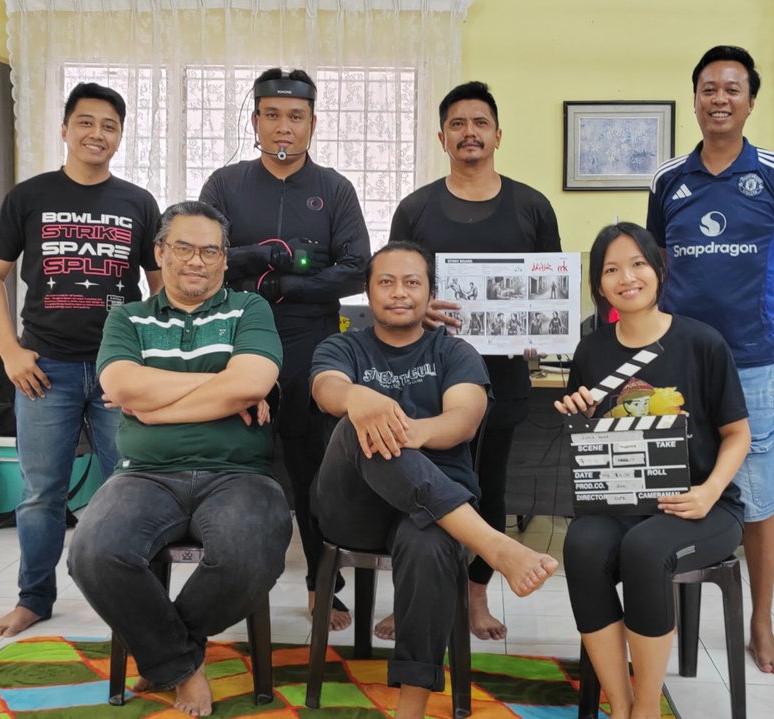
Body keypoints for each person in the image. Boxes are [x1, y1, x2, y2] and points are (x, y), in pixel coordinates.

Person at [310, 241, 559, 719]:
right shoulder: (342, 345)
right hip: (354, 508)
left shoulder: (454, 351)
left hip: (432, 514)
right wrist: (361, 401)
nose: (398, 292)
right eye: (386, 282)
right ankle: (492, 544)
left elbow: (464, 419)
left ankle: (412, 706)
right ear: (368, 293)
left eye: (412, 282)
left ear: (430, 294)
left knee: (431, 541)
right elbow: (327, 389)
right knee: (358, 426)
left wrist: (404, 432)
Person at [69, 201, 289, 718]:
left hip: (239, 474)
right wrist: (223, 388)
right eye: (184, 248)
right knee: (93, 552)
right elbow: (122, 385)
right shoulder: (128, 317)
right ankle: (184, 666)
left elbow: (252, 382)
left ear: (225, 259)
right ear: (160, 252)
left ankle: (165, 652)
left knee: (248, 552)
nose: (196, 261)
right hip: (144, 475)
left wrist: (155, 409)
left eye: (210, 251)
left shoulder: (250, 310)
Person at [645, 45, 774, 674]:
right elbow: (656, 267)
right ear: (694, 100)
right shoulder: (669, 179)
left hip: (752, 360)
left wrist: (756, 307)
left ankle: (760, 624)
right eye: (708, 89)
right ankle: (661, 617)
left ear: (750, 101)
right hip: (676, 362)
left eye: (732, 89)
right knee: (668, 486)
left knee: (758, 494)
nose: (719, 99)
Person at [0, 82, 163, 638]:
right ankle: (34, 598)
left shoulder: (138, 203)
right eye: (85, 122)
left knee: (131, 487)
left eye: (109, 126)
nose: (96, 134)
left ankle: (132, 598)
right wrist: (9, 352)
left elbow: (159, 289)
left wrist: (148, 363)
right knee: (41, 493)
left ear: (120, 136)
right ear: (64, 129)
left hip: (117, 371)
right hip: (45, 369)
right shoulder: (28, 196)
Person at [199, 67, 371, 631]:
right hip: (236, 339)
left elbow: (357, 268)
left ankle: (324, 584)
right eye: (271, 114)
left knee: (312, 467)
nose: (283, 126)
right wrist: (263, 255)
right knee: (238, 461)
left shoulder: (334, 189)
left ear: (312, 123)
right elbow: (205, 255)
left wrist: (286, 283)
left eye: (295, 116)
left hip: (308, 341)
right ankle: (236, 579)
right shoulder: (225, 184)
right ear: (255, 121)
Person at [555, 223, 749, 719]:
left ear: (659, 270)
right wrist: (580, 416)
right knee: (581, 545)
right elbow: (590, 444)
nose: (627, 277)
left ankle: (645, 708)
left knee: (646, 549)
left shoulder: (702, 342)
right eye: (611, 269)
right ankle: (619, 704)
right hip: (621, 501)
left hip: (701, 504)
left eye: (638, 264)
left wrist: (709, 492)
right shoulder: (591, 351)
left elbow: (738, 434)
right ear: (599, 285)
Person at [390, 81, 562, 640]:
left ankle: (475, 596)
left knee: (489, 484)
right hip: (426, 372)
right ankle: (412, 595)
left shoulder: (532, 206)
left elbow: (550, 289)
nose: (470, 133)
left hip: (502, 373)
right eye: (458, 124)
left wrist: (542, 327)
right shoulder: (415, 208)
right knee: (414, 481)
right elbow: (395, 284)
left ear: (498, 135)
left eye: (480, 123)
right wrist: (419, 308)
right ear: (442, 137)